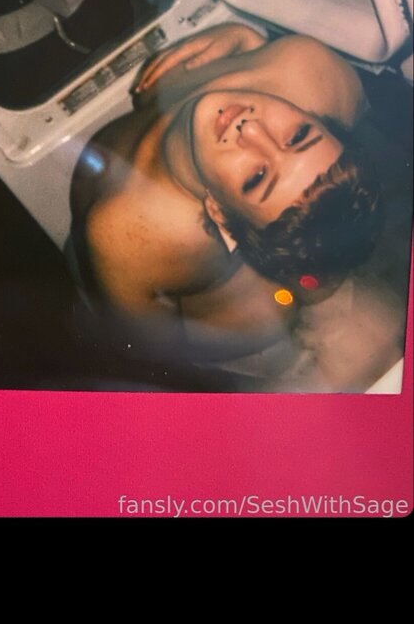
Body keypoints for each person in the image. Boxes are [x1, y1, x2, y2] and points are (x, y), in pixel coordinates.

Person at [68, 22, 399, 387]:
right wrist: (248, 40)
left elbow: (151, 347)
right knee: (312, 244)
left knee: (266, 324)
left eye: (256, 178)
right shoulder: (309, 69)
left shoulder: (130, 233)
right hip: (257, 253)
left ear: (218, 213)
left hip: (232, 300)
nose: (251, 129)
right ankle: (318, 290)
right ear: (321, 116)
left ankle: (311, 321)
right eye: (299, 135)